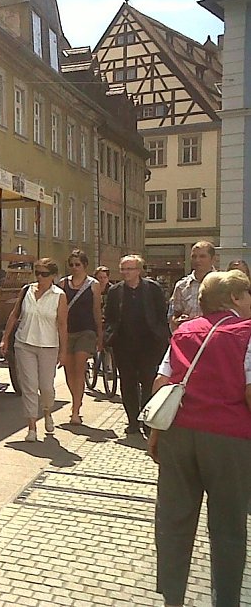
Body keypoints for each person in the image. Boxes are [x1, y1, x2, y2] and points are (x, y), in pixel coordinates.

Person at [148, 270, 251, 607]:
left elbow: (162, 383)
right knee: (228, 527)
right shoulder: (245, 332)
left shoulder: (184, 331)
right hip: (228, 440)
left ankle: (173, 597)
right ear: (235, 298)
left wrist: (156, 434)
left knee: (173, 518)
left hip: (179, 435)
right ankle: (225, 600)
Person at [0, 258, 68, 442]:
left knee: (46, 387)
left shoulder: (59, 295)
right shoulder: (27, 290)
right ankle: (31, 427)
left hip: (48, 345)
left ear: (53, 276)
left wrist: (64, 351)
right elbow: (15, 315)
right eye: (37, 273)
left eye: (44, 274)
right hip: (25, 343)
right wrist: (5, 338)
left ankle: (47, 411)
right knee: (29, 386)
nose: (40, 277)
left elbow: (62, 324)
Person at [104, 255, 171, 437]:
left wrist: (161, 336)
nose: (126, 273)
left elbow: (161, 314)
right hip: (124, 344)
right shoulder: (115, 291)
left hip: (149, 344)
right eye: (123, 269)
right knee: (127, 383)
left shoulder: (152, 289)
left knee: (149, 382)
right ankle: (133, 420)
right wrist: (109, 337)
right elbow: (109, 316)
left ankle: (148, 421)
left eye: (130, 269)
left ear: (139, 270)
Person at [59, 250, 103, 425]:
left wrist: (100, 334)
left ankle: (76, 409)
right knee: (69, 371)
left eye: (78, 264)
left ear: (85, 265)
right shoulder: (63, 284)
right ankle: (75, 399)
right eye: (71, 264)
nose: (74, 268)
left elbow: (96, 310)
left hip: (86, 330)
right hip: (67, 331)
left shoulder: (93, 285)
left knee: (79, 365)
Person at [168, 241, 216, 332]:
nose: (197, 260)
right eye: (194, 256)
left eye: (202, 256)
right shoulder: (181, 286)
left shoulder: (223, 283)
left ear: (213, 259)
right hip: (190, 337)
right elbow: (173, 316)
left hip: (215, 337)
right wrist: (178, 320)